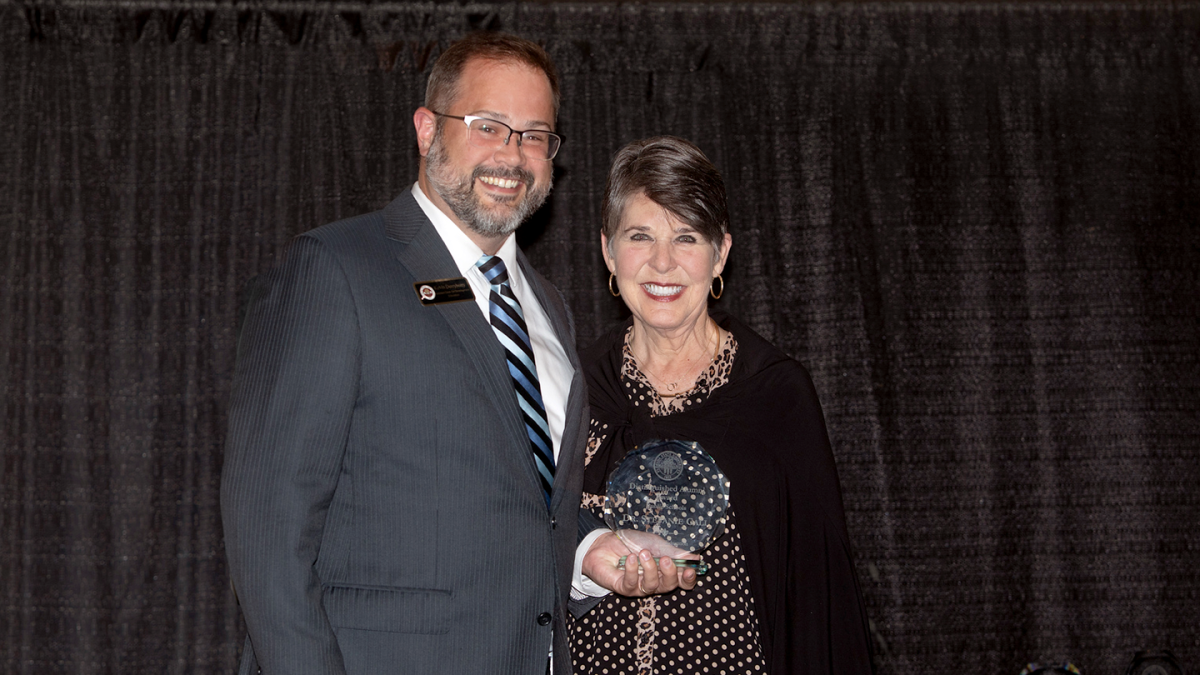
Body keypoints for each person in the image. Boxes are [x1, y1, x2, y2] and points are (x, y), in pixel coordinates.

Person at [220, 33, 685, 675]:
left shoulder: (548, 309)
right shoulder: (334, 270)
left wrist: (585, 552)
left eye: (534, 135)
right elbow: (267, 525)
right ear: (426, 129)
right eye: (489, 126)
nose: (512, 155)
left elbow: (516, 508)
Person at [569, 136, 875, 674]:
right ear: (608, 252)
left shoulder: (774, 397)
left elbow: (819, 594)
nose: (662, 263)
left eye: (686, 237)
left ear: (721, 255)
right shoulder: (570, 389)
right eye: (640, 236)